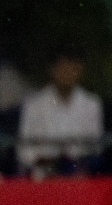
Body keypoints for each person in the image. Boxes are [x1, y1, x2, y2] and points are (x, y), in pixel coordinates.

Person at [17, 50, 102, 179]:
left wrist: (70, 161)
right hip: (42, 177)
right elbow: (24, 150)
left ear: (80, 70)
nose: (66, 73)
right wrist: (48, 163)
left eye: (71, 68)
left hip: (78, 177)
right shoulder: (34, 104)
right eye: (62, 68)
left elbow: (95, 147)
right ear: (52, 69)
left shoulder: (91, 104)